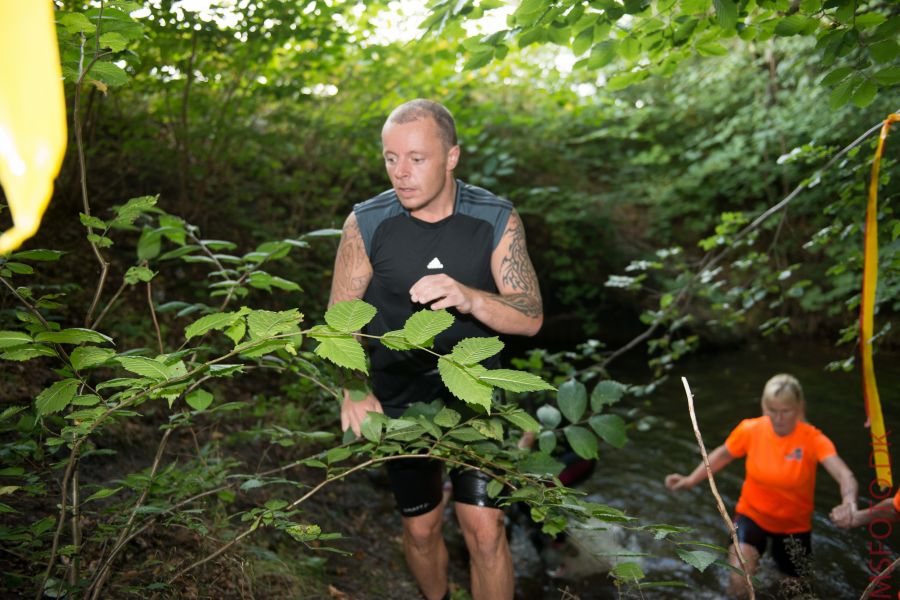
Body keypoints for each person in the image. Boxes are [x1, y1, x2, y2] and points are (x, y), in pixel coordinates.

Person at [328, 99, 543, 600]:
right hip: (398, 393)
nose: (401, 173)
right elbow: (339, 320)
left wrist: (471, 297)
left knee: (485, 529)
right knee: (422, 529)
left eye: (417, 159)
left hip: (477, 390)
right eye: (390, 158)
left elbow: (529, 316)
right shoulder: (366, 223)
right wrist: (354, 389)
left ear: (451, 157)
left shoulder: (494, 218)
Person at [664, 374, 858, 596]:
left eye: (785, 411)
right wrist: (689, 480)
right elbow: (722, 455)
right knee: (740, 582)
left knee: (796, 591)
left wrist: (849, 502)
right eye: (771, 410)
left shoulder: (812, 440)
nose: (778, 418)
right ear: (763, 406)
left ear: (799, 407)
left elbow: (845, 474)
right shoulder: (751, 430)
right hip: (752, 516)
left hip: (794, 527)